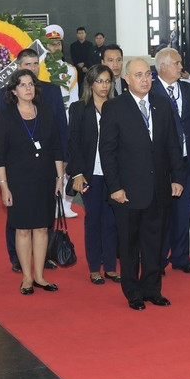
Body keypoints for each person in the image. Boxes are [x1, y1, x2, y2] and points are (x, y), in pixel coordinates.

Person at [99, 58, 185, 310]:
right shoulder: (115, 108)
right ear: (126, 79)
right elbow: (108, 151)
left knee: (154, 242)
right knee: (128, 244)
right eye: (139, 75)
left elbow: (173, 145)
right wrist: (114, 187)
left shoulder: (162, 104)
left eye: (148, 74)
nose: (145, 79)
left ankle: (152, 289)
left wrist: (177, 177)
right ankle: (133, 291)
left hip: (158, 188)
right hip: (127, 190)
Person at [0, 47, 69, 270]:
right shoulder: (5, 96)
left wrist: (63, 162)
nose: (33, 68)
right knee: (19, 224)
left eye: (36, 64)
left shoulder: (51, 92)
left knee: (43, 223)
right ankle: (18, 259)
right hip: (19, 172)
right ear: (18, 67)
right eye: (28, 64)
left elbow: (60, 132)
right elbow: (2, 141)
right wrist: (4, 184)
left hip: (46, 169)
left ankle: (42, 259)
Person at [152, 48, 190, 273]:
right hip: (161, 165)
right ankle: (158, 259)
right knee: (161, 214)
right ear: (163, 66)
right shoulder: (152, 91)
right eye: (176, 63)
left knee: (183, 213)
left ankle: (181, 258)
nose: (180, 67)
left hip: (187, 161)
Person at [68, 65, 120, 284]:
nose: (104, 86)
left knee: (112, 221)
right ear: (90, 83)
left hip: (114, 174)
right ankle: (93, 267)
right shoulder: (79, 108)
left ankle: (110, 266)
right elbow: (73, 143)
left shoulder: (118, 107)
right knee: (93, 219)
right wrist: (77, 173)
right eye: (99, 81)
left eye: (107, 81)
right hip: (90, 174)